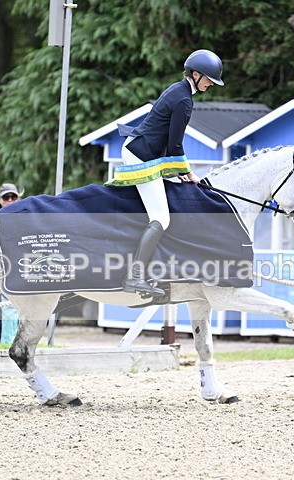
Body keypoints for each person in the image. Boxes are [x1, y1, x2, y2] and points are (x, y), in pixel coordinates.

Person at [108, 49, 224, 297]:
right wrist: (188, 173)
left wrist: (178, 172)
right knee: (162, 217)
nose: (211, 85)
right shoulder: (184, 100)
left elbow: (171, 147)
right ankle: (134, 277)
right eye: (209, 80)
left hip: (144, 150)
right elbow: (175, 145)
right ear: (196, 74)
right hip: (142, 155)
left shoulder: (178, 89)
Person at [0, 183, 23, 342]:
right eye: (6, 197)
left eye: (13, 197)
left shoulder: (24, 216)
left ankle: (8, 343)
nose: (10, 200)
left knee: (10, 309)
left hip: (14, 268)